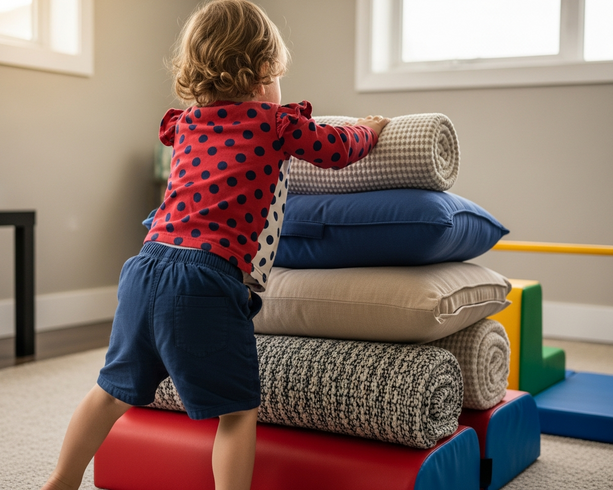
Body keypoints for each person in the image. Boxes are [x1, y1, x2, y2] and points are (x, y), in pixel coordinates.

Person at [41, 1, 389, 489]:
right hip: (206, 280)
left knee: (110, 392)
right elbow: (335, 149)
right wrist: (367, 130)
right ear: (266, 70)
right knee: (238, 411)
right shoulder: (276, 123)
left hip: (144, 266)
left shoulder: (185, 124)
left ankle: (61, 478)